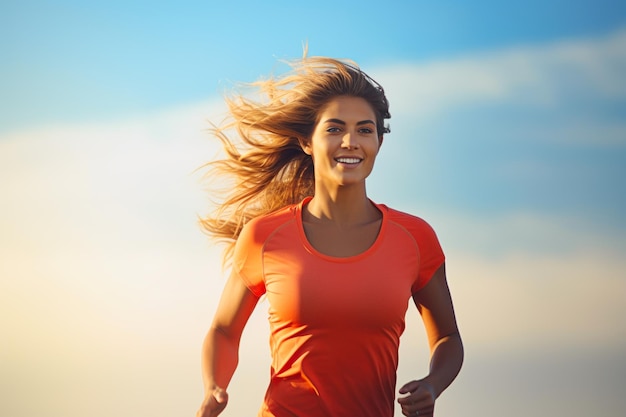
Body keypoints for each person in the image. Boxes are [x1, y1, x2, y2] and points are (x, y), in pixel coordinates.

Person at [195, 55, 463, 417]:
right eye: (335, 129)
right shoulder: (264, 235)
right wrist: (215, 386)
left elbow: (447, 337)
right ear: (308, 141)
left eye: (365, 130)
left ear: (379, 143)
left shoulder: (415, 238)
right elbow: (224, 329)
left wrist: (433, 384)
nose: (351, 141)